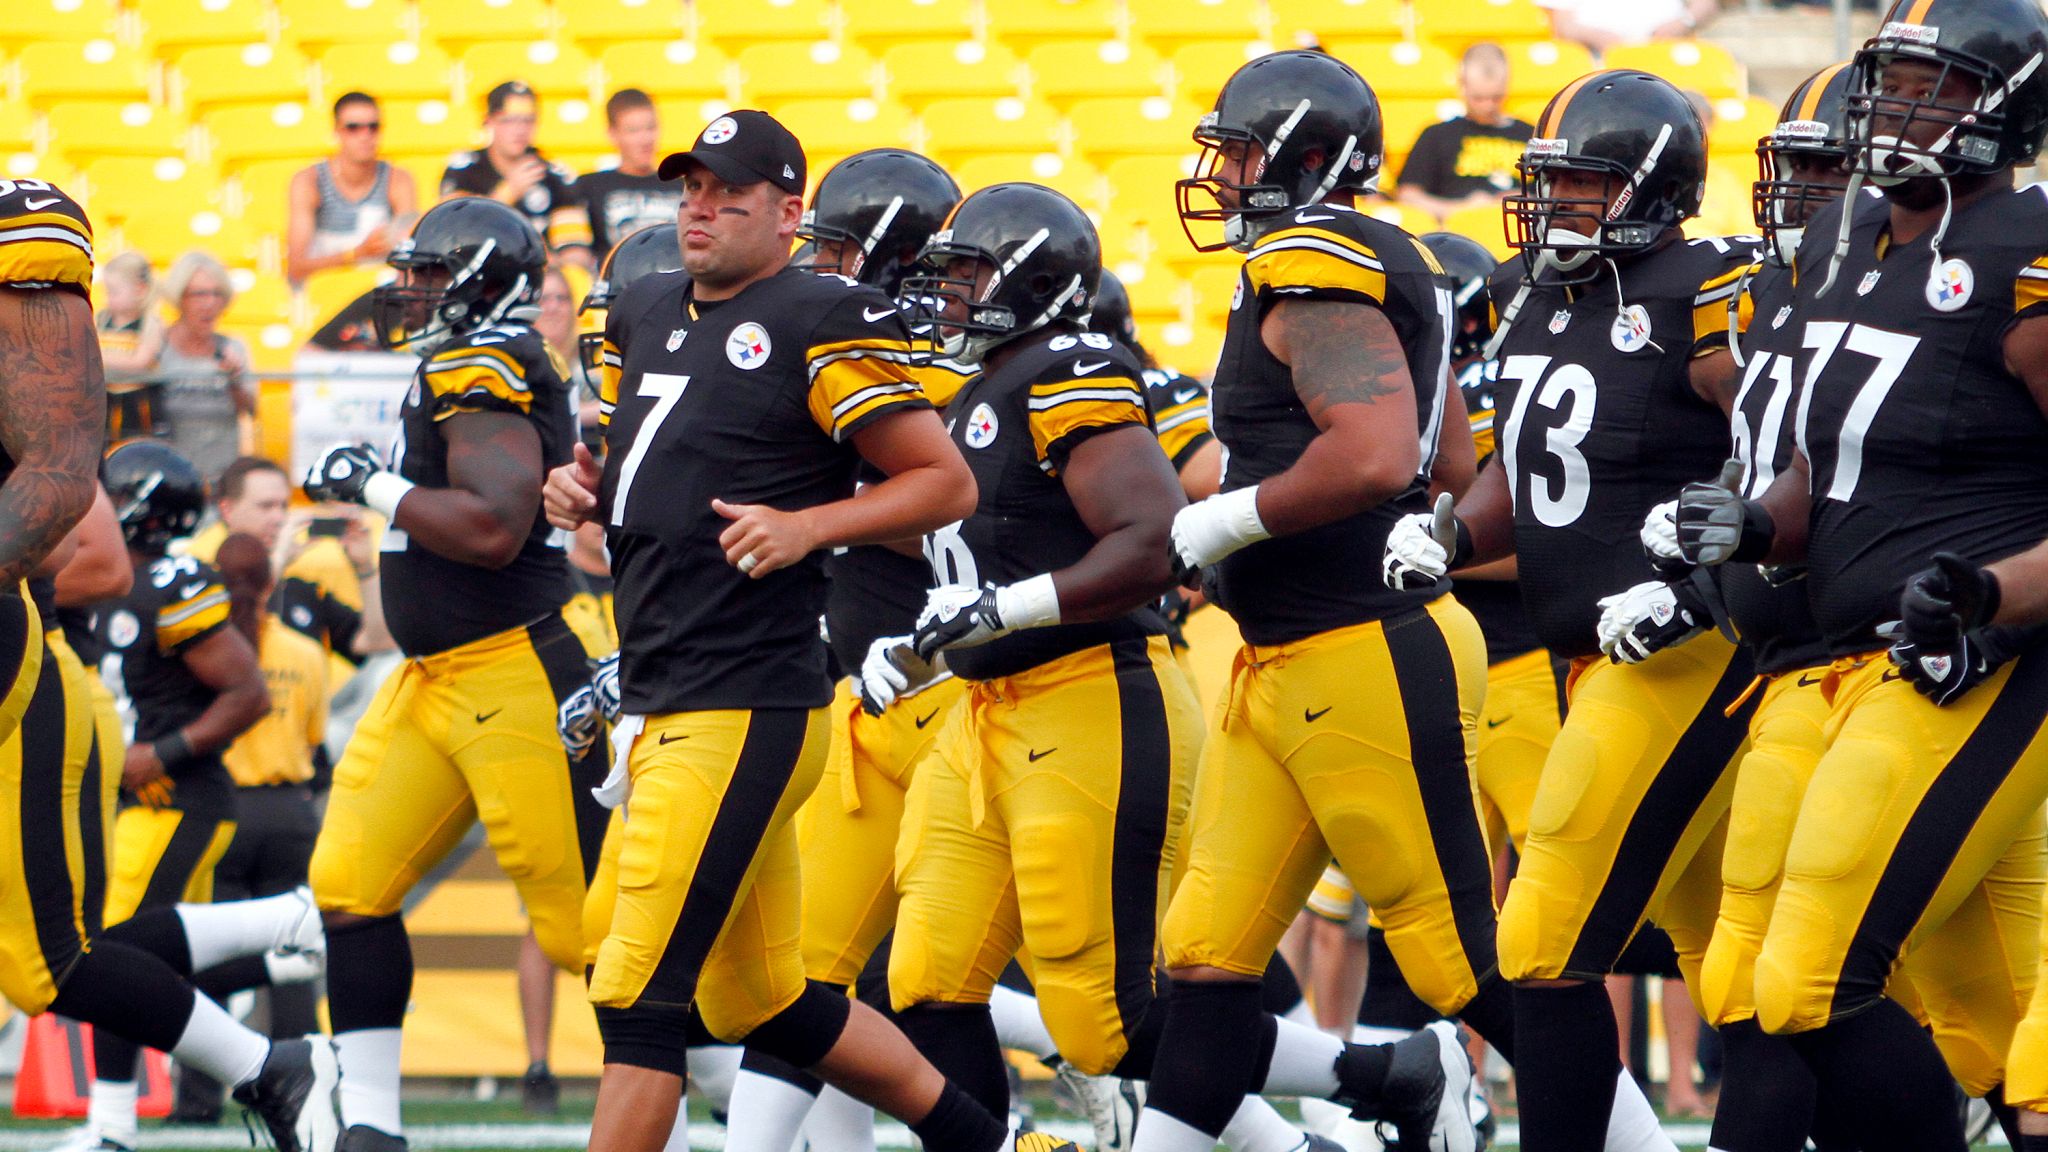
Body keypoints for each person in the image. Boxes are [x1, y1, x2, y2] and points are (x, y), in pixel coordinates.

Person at [542, 108, 1063, 1152]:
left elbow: (941, 480)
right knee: (764, 1000)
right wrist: (587, 489)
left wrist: (807, 526)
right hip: (670, 679)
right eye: (690, 188)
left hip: (740, 695)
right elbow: (665, 461)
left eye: (728, 193)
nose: (700, 208)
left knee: (641, 1000)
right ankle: (992, 1143)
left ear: (788, 212)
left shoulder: (821, 315)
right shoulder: (649, 308)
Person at [1670, 2, 2048, 1147]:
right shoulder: (1857, 243)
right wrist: (1750, 525)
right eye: (1890, 80)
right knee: (1963, 1006)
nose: (1894, 107)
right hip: (1842, 662)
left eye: (1931, 86)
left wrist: (1991, 597)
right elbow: (1829, 477)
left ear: (2005, 104)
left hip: (1968, 663)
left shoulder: (2024, 254)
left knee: (1807, 982)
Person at [1380, 68, 1765, 1152]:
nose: (1552, 206)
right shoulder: (1543, 289)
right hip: (1585, 656)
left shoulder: (1708, 288)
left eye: (1579, 185)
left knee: (1541, 940)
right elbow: (1539, 471)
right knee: (1743, 964)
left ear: (1647, 189)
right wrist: (1454, 531)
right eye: (1546, 182)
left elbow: (1790, 456)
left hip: (1682, 656)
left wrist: (1696, 588)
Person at [1129, 50, 1505, 1152]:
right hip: (1286, 656)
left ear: (1303, 159)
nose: (1223, 174)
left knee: (1463, 964)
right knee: (1203, 959)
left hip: (1361, 651)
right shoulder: (1380, 261)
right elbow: (1451, 457)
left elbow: (1382, 453)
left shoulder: (1310, 260)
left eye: (1239, 152)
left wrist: (1229, 518)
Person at [0, 181, 333, 1152]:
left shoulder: (24, 264)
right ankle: (266, 1033)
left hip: (89, 718)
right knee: (56, 959)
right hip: (96, 724)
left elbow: (76, 506)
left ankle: (257, 1038)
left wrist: (170, 748)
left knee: (63, 958)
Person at [300, 195, 611, 1152]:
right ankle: (372, 1131)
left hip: (514, 673)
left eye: (430, 274)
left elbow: (490, 526)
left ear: (482, 283)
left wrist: (372, 484)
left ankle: (765, 1112)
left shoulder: (485, 357)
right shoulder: (455, 359)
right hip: (433, 679)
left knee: (595, 939)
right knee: (350, 883)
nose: (409, 291)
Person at [83, 445, 332, 1152]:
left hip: (171, 796)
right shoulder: (90, 573)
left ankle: (111, 1127)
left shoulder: (169, 580)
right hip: (125, 803)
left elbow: (248, 692)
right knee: (144, 955)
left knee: (109, 952)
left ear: (137, 505)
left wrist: (156, 753)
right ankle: (285, 948)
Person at [165, 530, 334, 1126]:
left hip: (223, 810)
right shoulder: (306, 653)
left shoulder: (204, 649)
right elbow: (315, 743)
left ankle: (197, 1100)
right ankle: (307, 1087)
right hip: (289, 812)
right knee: (291, 952)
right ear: (271, 583)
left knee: (205, 956)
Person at [187, 456, 388, 664]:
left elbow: (378, 643)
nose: (279, 518)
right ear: (227, 510)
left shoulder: (299, 588)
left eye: (283, 506)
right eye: (266, 506)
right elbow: (240, 619)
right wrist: (279, 558)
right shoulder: (201, 580)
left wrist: (365, 568)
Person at [441, 81, 592, 268]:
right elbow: (450, 231)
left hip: (541, 277)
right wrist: (506, 194)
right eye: (508, 120)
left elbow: (575, 250)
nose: (520, 130)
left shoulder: (556, 175)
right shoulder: (464, 170)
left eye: (528, 120)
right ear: (488, 121)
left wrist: (546, 262)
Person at [286, 92, 418, 287]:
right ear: (336, 131)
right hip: (324, 290)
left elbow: (410, 252)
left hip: (378, 291)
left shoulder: (397, 179)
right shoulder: (309, 181)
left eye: (373, 127)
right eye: (353, 128)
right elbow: (296, 267)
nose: (365, 136)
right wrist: (357, 254)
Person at [1395, 46, 1536, 224]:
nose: (1488, 106)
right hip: (1456, 232)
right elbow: (1408, 196)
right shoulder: (1437, 135)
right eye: (1478, 98)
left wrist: (1526, 201)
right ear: (1462, 86)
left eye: (1496, 97)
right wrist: (1461, 210)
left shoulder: (1531, 135)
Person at [154, 253, 256, 483]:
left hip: (221, 479)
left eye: (217, 294)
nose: (210, 303)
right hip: (168, 479)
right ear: (179, 298)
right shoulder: (157, 347)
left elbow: (250, 410)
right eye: (199, 294)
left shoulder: (234, 347)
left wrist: (234, 380)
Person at [577, 89, 681, 262]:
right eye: (633, 131)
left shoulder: (683, 186)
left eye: (651, 128)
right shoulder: (588, 186)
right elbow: (574, 255)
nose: (645, 139)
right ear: (612, 134)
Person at [95, 251, 165, 440]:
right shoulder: (101, 320)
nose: (107, 298)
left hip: (138, 403)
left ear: (140, 290)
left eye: (114, 292)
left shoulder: (150, 323)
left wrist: (98, 358)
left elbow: (140, 361)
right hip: (105, 398)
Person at [1539, 0, 1719, 52]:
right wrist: (1599, 38)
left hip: (1667, 49)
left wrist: (1684, 21)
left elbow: (1706, 4)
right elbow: (1563, 25)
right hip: (1597, 57)